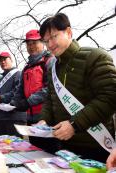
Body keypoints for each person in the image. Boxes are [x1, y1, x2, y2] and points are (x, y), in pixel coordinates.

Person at [37, 13, 116, 162]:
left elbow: (110, 97)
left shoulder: (95, 57)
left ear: (68, 32)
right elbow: (50, 100)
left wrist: (74, 124)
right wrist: (44, 120)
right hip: (64, 146)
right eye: (46, 41)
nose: (50, 45)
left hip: (96, 146)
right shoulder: (52, 68)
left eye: (54, 37)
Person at [11, 29, 55, 124]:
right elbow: (20, 88)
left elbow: (51, 88)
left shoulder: (49, 61)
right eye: (28, 44)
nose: (31, 46)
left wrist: (28, 102)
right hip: (30, 117)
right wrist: (14, 102)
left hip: (47, 117)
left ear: (43, 42)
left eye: (34, 42)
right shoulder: (26, 67)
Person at [0, 52, 26, 136]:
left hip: (15, 117)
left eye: (5, 59)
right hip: (2, 117)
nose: (2, 62)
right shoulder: (0, 79)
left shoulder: (18, 74)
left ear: (11, 60)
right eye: (0, 60)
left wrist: (0, 98)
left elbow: (18, 92)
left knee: (16, 147)